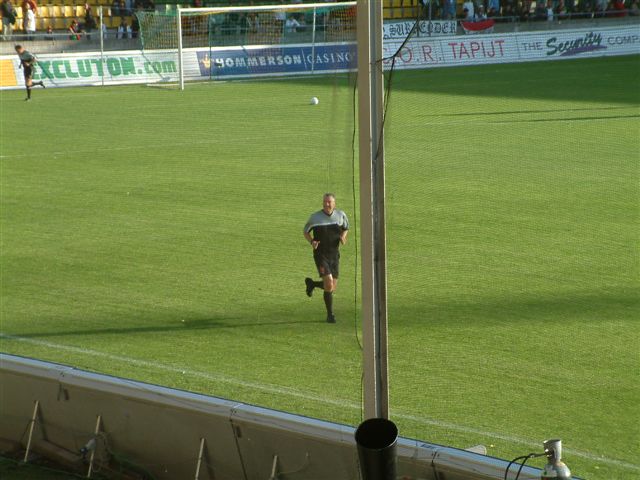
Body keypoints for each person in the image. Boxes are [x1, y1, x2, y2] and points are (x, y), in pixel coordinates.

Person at [303, 193, 349, 324]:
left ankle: (312, 284)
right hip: (320, 255)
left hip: (334, 255)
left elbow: (345, 228)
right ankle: (330, 315)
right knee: (329, 283)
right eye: (325, 202)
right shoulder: (315, 217)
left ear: (334, 203)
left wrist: (343, 237)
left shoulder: (341, 215)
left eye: (329, 202)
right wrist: (312, 242)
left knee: (332, 287)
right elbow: (305, 231)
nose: (327, 204)